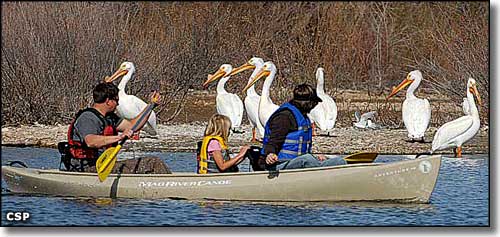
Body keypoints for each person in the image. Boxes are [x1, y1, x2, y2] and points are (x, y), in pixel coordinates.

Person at [65, 82, 170, 174]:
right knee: (153, 163)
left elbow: (133, 126)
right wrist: (119, 138)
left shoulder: (110, 118)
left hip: (104, 166)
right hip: (87, 169)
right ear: (108, 101)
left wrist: (151, 106)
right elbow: (91, 141)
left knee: (151, 164)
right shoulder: (87, 118)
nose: (118, 104)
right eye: (116, 100)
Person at [256, 83, 346, 171]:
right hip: (276, 165)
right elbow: (273, 141)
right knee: (306, 159)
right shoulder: (284, 117)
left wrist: (315, 158)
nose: (315, 105)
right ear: (307, 103)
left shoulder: (303, 116)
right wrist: (270, 154)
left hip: (295, 163)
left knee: (339, 161)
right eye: (314, 103)